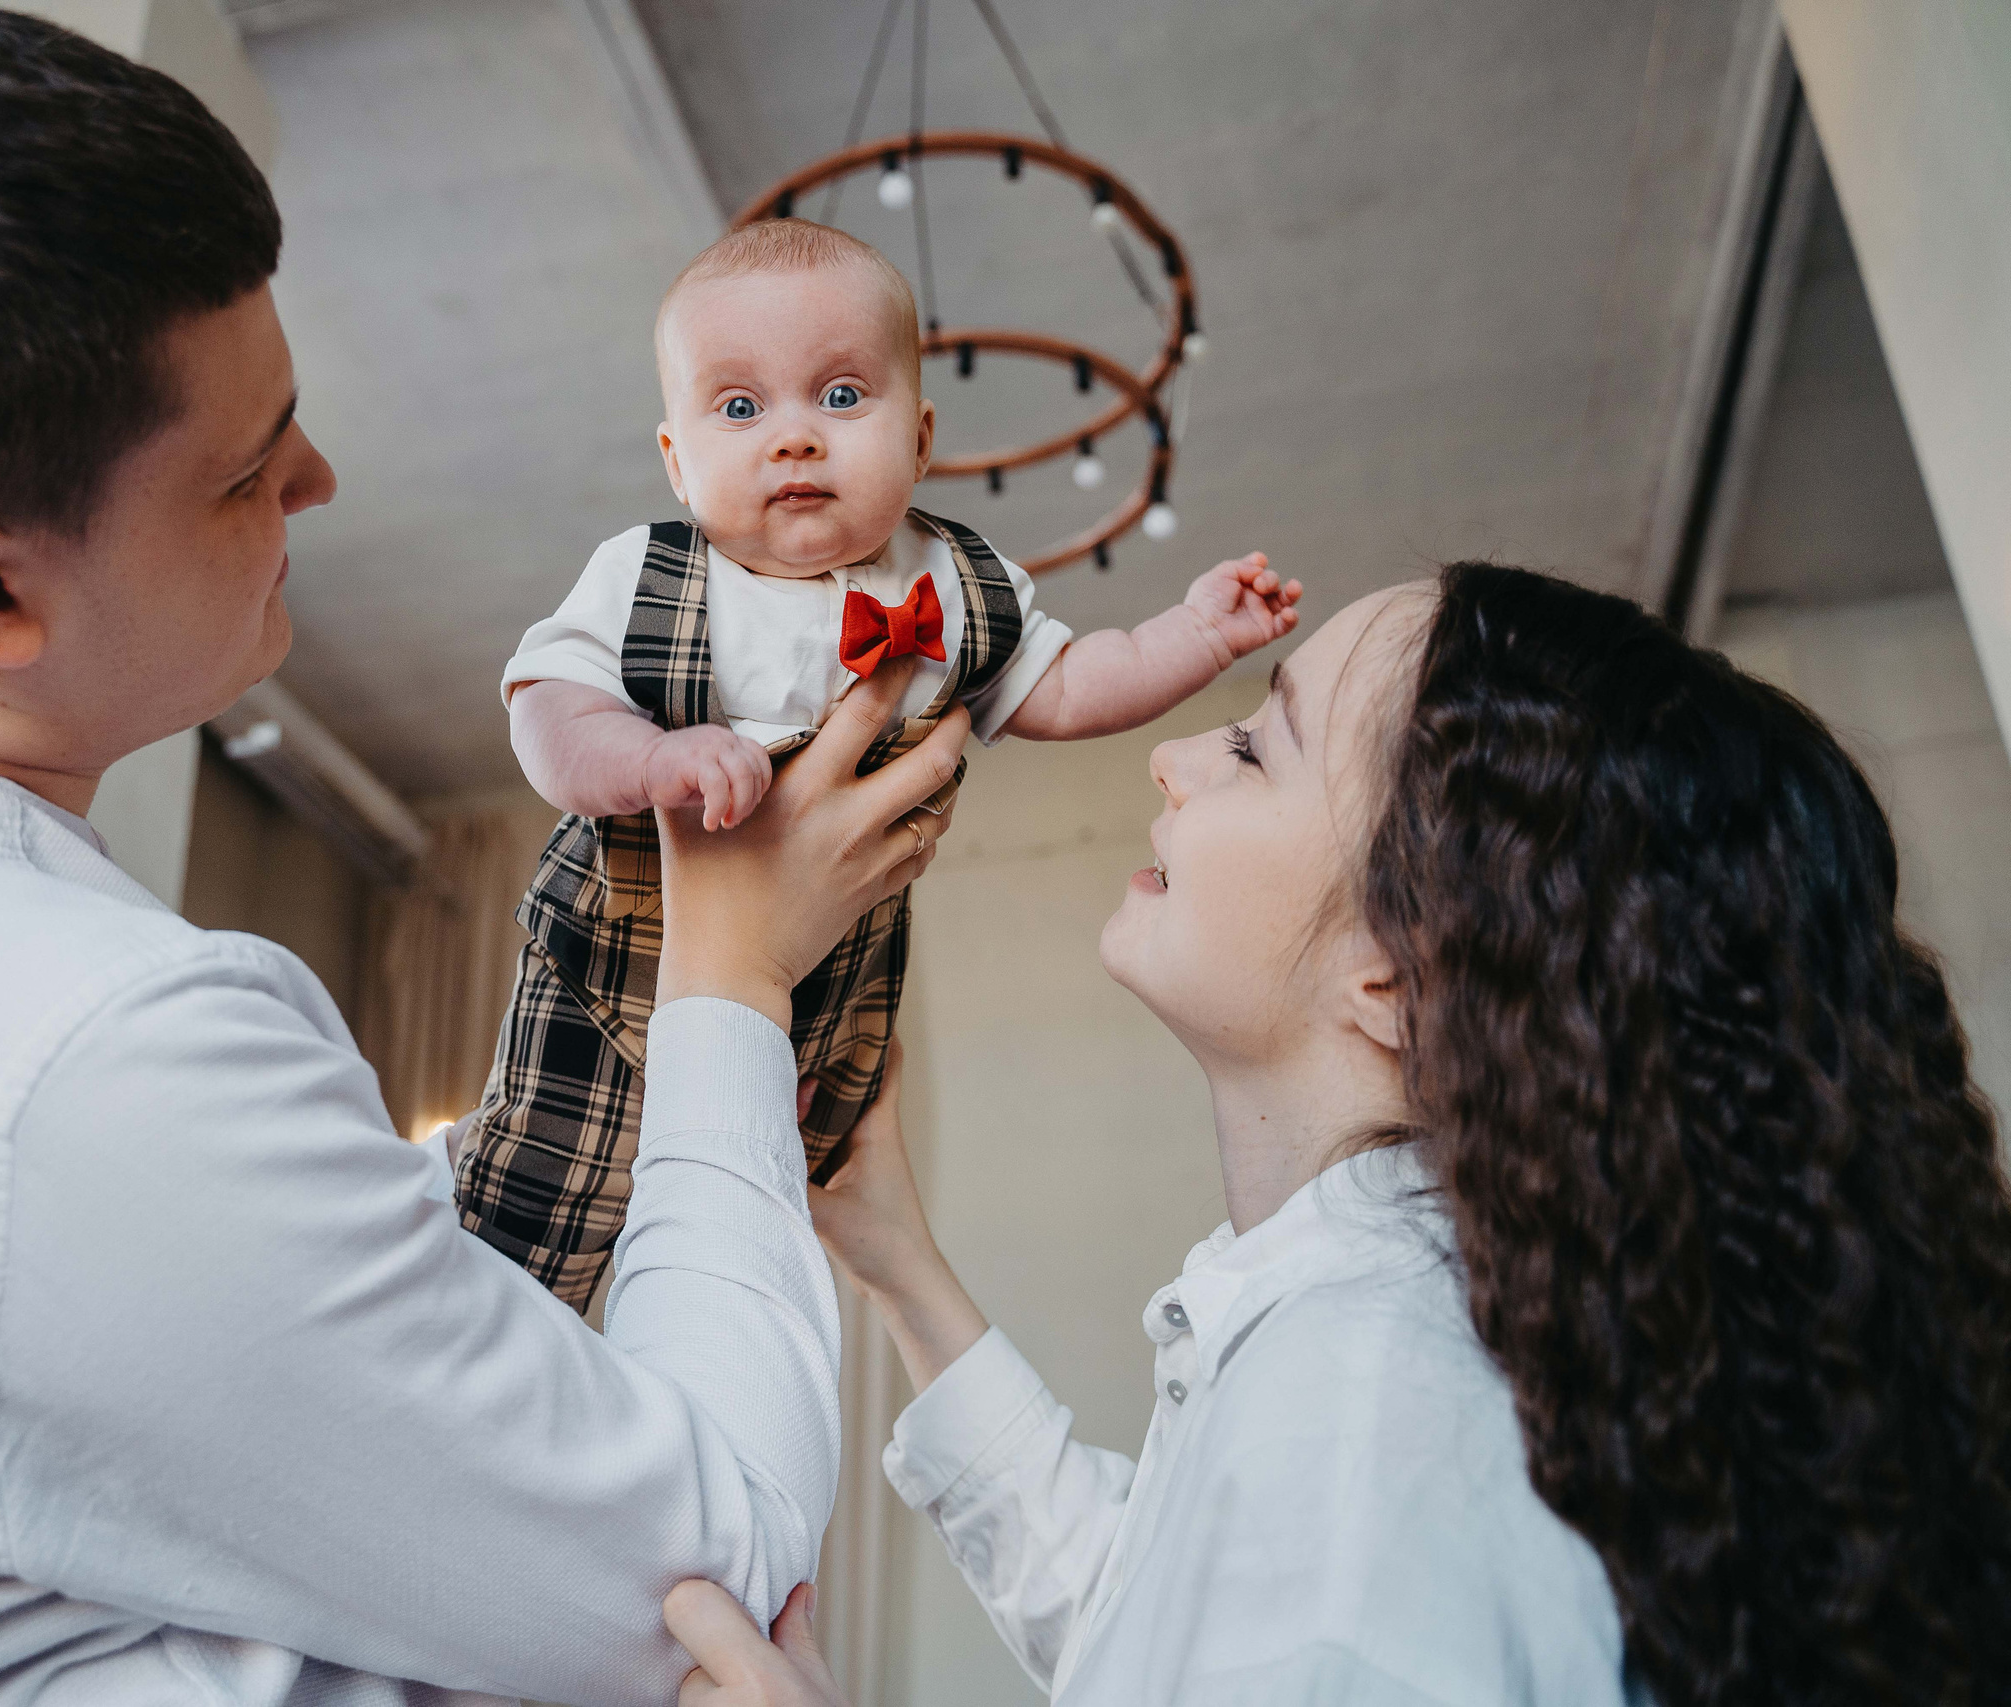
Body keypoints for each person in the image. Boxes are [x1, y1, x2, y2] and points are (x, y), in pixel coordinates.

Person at [0, 7, 971, 1702]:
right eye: (250, 471)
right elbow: (725, 1549)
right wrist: (731, 975)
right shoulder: (97, 1073)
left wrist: (579, 1119)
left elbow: (210, 1300)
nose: (320, 479)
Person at [669, 565, 2011, 1704]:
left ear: (1400, 972)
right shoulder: (1406, 1342)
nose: (1173, 754)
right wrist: (901, 1261)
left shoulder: (1374, 1429)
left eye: (1257, 746)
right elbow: (1159, 1620)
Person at [461, 217, 1301, 1310]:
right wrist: (652, 756)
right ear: (675, 459)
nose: (794, 438)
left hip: (831, 995)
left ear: (921, 440)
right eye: (738, 407)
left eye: (843, 397)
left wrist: (1193, 636)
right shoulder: (648, 576)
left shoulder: (958, 583)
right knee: (530, 1235)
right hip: (611, 971)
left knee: (739, 1254)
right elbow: (546, 714)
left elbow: (1065, 685)